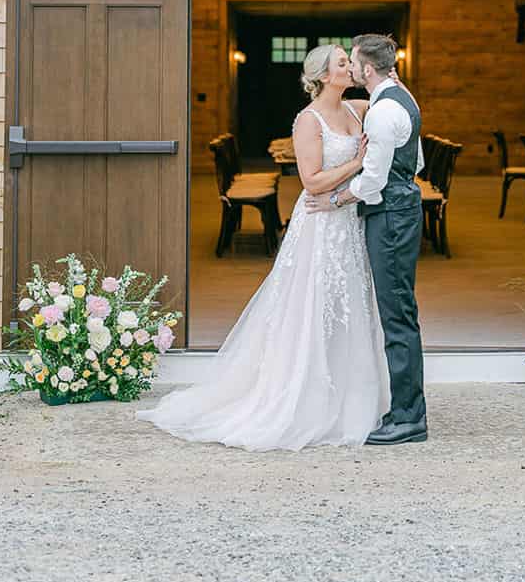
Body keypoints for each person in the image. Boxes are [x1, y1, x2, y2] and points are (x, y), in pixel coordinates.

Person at [137, 43, 389, 451]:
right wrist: (357, 164)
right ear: (324, 75)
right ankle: (302, 396)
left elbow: (391, 93)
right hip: (320, 224)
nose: (351, 68)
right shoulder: (308, 121)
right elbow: (312, 182)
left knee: (350, 306)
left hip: (348, 221)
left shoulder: (357, 109)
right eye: (343, 63)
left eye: (350, 61)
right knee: (312, 306)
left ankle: (351, 397)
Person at [306, 32, 428, 445]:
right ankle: (407, 410)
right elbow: (419, 159)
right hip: (403, 209)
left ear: (367, 69)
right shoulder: (400, 101)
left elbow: (373, 179)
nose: (352, 68)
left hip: (390, 216)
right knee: (400, 311)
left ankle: (409, 418)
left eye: (353, 62)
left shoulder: (379, 113)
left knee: (397, 316)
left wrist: (337, 200)